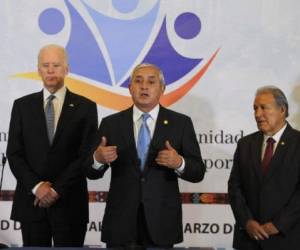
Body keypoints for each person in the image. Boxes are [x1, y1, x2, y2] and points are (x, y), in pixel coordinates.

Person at [87, 63, 206, 248]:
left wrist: (179, 163)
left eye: (151, 82)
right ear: (130, 88)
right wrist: (97, 160)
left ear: (162, 89)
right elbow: (91, 172)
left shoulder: (180, 123)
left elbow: (198, 172)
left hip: (162, 222)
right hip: (121, 223)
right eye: (138, 81)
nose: (144, 86)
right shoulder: (111, 124)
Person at [6, 44, 98, 246]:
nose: (50, 70)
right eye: (45, 65)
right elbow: (14, 153)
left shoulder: (86, 107)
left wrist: (56, 190)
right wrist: (37, 187)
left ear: (66, 69)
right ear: (38, 69)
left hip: (70, 204)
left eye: (56, 65)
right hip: (32, 204)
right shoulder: (22, 106)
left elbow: (85, 156)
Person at [228, 86, 300, 250]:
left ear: (282, 110)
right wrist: (246, 222)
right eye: (255, 108)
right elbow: (234, 188)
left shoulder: (298, 143)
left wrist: (278, 225)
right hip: (248, 240)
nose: (257, 114)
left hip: (287, 239)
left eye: (263, 108)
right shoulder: (245, 144)